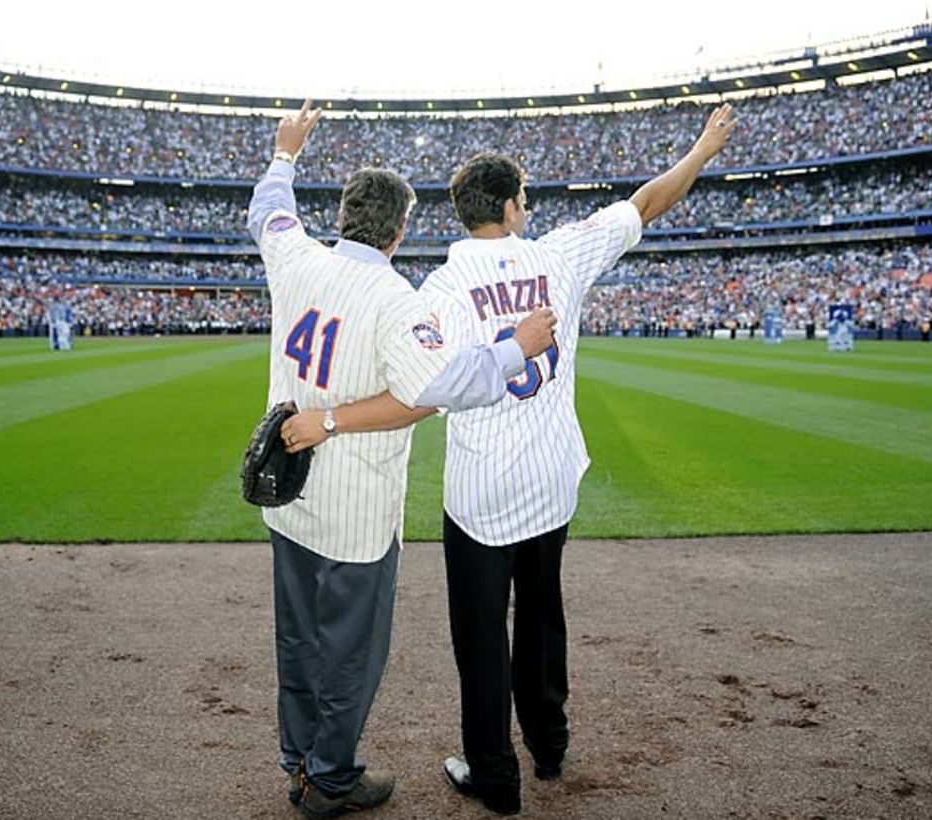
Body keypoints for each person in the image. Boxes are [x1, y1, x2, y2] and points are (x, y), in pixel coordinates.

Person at [286, 102, 737, 815]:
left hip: (480, 490)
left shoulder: (437, 288)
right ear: (507, 205)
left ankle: (495, 775)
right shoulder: (558, 254)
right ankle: (550, 744)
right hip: (551, 475)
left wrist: (331, 419)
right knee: (543, 614)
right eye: (525, 199)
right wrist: (704, 147)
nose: (529, 208)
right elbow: (648, 201)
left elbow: (420, 388)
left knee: (480, 635)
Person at [246, 100, 558, 820]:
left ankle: (297, 758)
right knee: (349, 652)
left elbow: (268, 210)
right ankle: (328, 780)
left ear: (346, 213)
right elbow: (438, 386)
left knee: (296, 640)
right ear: (400, 229)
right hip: (355, 513)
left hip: (289, 496)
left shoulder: (294, 258)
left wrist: (286, 152)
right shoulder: (397, 299)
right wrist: (516, 346)